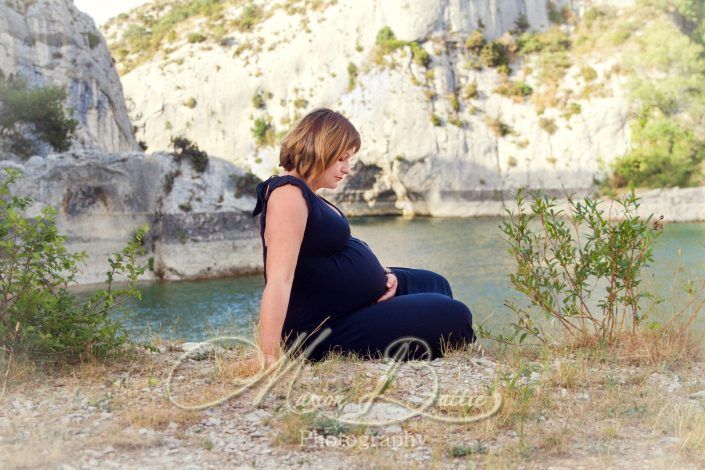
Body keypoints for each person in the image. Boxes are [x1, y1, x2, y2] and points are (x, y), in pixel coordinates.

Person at [251, 108, 476, 365]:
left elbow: (327, 254)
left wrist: (381, 276)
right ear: (320, 150)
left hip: (349, 306)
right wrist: (268, 355)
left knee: (434, 284)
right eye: (341, 159)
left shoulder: (308, 193)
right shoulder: (287, 195)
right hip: (322, 330)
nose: (347, 169)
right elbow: (280, 278)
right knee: (454, 317)